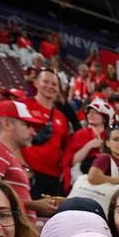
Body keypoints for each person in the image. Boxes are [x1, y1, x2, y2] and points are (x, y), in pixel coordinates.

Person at [0, 100, 58, 217]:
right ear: (7, 124)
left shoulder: (4, 152)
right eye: (27, 125)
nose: (33, 133)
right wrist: (33, 205)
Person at [22, 69, 71, 199]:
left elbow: (65, 148)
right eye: (46, 82)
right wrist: (22, 166)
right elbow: (11, 140)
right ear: (36, 83)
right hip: (28, 172)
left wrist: (64, 170)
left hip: (53, 177)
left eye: (54, 84)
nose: (50, 86)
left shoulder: (61, 117)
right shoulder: (24, 106)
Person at [62, 97, 115, 191]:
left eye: (95, 112)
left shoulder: (112, 136)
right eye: (89, 112)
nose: (91, 114)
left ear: (105, 118)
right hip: (82, 181)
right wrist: (89, 146)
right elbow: (73, 162)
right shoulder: (80, 134)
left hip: (105, 181)